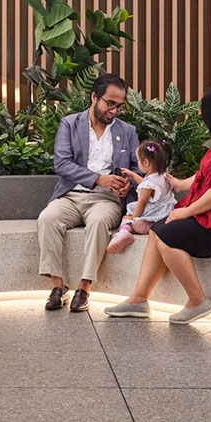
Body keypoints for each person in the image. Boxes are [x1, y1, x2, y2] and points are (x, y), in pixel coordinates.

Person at [106, 85, 211, 324]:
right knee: (158, 231)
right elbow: (205, 175)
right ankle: (138, 299)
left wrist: (186, 212)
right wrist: (179, 184)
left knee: (167, 235)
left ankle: (197, 300)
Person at [36, 73, 140, 313]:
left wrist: (129, 183)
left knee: (98, 222)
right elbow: (62, 163)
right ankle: (58, 286)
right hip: (71, 195)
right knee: (48, 218)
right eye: (110, 103)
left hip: (107, 199)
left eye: (119, 106)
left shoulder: (127, 131)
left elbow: (137, 169)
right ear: (94, 97)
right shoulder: (70, 124)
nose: (114, 110)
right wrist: (97, 179)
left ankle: (84, 287)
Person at [107, 140, 175, 253]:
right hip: (165, 212)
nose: (138, 163)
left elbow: (141, 202)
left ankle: (125, 232)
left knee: (126, 217)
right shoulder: (164, 176)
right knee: (134, 213)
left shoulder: (148, 184)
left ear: (146, 162)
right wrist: (132, 175)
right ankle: (151, 224)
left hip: (154, 212)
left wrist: (133, 217)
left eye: (138, 160)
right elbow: (146, 184)